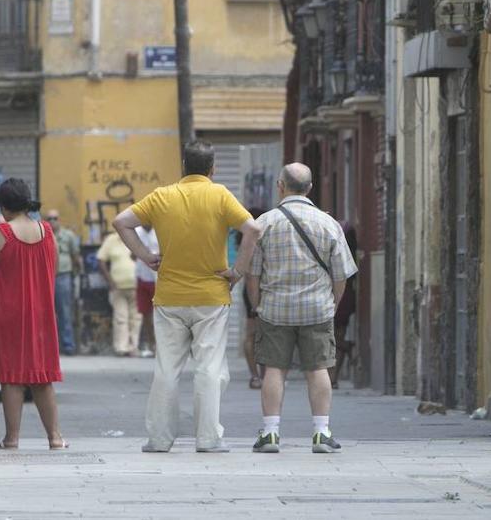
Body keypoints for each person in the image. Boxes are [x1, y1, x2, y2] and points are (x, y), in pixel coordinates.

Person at [112, 140, 261, 453]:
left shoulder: (162, 196)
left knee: (167, 368)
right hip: (211, 297)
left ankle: (160, 439)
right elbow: (252, 229)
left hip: (169, 297)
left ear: (183, 166)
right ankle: (208, 439)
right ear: (212, 168)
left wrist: (145, 255)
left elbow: (121, 222)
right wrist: (238, 270)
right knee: (209, 367)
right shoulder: (220, 195)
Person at [235, 163, 358, 455]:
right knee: (318, 369)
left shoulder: (264, 222)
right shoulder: (329, 224)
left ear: (281, 186)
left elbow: (253, 274)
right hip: (317, 309)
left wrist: (257, 305)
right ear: (310, 188)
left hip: (275, 308)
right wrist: (332, 304)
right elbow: (342, 276)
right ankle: (321, 433)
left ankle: (270, 434)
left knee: (274, 370)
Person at [0, 178, 66, 450]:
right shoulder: (47, 231)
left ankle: (11, 438)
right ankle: (55, 438)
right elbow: (55, 268)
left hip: (9, 313)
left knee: (12, 377)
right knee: (42, 376)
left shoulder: (0, 232)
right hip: (40, 313)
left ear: (3, 206)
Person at [96, 230, 139, 357]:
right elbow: (100, 260)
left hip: (136, 286)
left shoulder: (137, 237)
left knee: (136, 319)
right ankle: (121, 348)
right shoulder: (111, 240)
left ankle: (133, 347)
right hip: (117, 287)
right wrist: (110, 281)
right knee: (121, 318)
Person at [328, 223, 359, 389]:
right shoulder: (351, 255)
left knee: (330, 339)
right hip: (347, 298)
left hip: (333, 296)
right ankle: (333, 378)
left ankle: (347, 347)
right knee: (337, 336)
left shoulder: (334, 249)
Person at [46, 209, 81, 356]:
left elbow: (75, 255)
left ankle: (68, 345)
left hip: (63, 276)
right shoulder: (43, 235)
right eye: (49, 219)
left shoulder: (68, 236)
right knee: (45, 313)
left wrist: (76, 276)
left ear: (59, 219)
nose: (52, 221)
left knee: (65, 312)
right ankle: (48, 347)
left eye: (55, 218)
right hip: (46, 277)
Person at [237, 210, 265, 389]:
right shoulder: (259, 238)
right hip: (261, 289)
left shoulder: (244, 240)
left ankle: (256, 376)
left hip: (250, 290)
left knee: (252, 333)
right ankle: (261, 375)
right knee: (262, 334)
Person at [134, 225, 159, 358]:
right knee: (146, 313)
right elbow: (132, 254)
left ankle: (161, 346)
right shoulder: (135, 231)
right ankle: (151, 345)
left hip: (158, 278)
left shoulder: (160, 229)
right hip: (142, 276)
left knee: (162, 314)